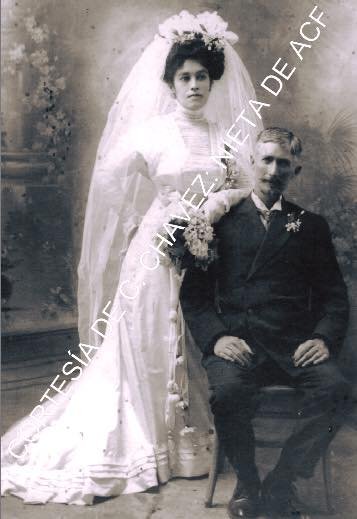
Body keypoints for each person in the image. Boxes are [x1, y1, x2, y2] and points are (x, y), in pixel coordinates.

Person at [1, 11, 262, 505]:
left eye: (201, 77)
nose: (193, 86)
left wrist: (216, 203)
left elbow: (243, 187)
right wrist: (161, 216)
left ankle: (194, 443)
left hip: (208, 256)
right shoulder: (150, 134)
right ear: (169, 83)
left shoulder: (226, 137)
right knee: (148, 339)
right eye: (184, 77)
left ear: (213, 80)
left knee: (197, 334)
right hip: (157, 253)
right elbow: (109, 185)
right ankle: (155, 443)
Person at [180, 127, 351, 518]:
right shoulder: (218, 221)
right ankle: (246, 482)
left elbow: (334, 297)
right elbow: (194, 296)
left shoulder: (310, 226)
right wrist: (217, 338)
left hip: (293, 344)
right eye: (267, 160)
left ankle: (281, 481)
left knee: (337, 389)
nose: (274, 170)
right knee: (227, 394)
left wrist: (323, 338)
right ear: (251, 163)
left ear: (297, 170)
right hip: (236, 344)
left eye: (284, 163)